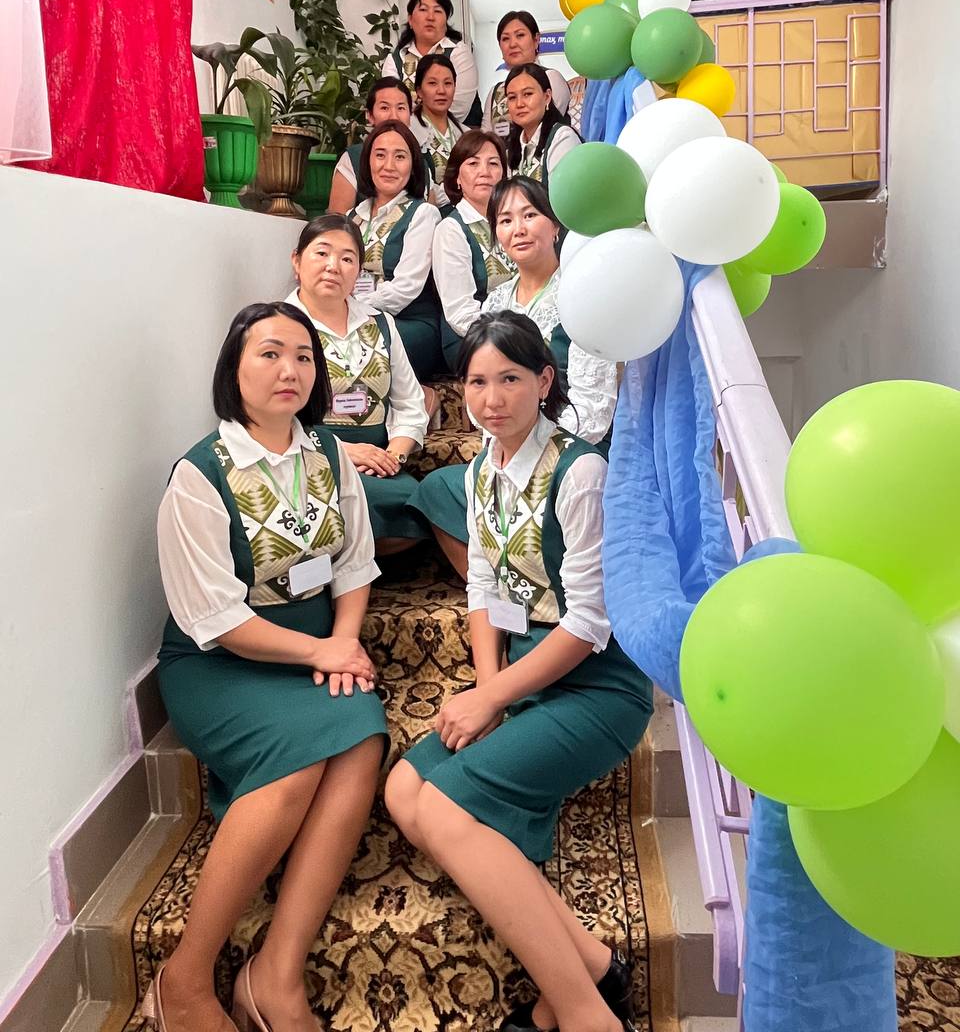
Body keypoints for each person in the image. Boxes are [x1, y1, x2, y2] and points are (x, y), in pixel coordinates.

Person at [385, 312, 652, 1032]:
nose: (492, 397)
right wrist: (488, 690)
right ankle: (593, 965)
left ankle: (584, 1015)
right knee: (404, 792)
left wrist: (496, 694)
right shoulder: (482, 469)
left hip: (596, 685)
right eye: (477, 381)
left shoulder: (580, 471)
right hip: (525, 674)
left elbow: (589, 623)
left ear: (544, 380)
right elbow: (482, 587)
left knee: (446, 809)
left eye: (509, 378)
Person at [146, 302, 386, 1032]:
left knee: (363, 737)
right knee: (297, 765)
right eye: (270, 353)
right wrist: (322, 652)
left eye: (304, 357)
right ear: (234, 368)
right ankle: (184, 980)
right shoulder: (199, 476)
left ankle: (276, 973)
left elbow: (354, 563)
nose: (291, 370)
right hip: (221, 662)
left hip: (315, 646)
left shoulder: (330, 453)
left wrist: (343, 639)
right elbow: (217, 619)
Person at [408, 176, 617, 576]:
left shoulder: (582, 294)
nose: (518, 228)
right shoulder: (496, 301)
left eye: (530, 215)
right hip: (509, 448)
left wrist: (531, 448)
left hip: (571, 448)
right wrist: (506, 449)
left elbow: (593, 410)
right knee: (438, 488)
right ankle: (499, 588)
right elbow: (482, 392)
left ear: (555, 227)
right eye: (505, 220)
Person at [286, 215, 429, 555]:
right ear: (297, 261)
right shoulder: (279, 325)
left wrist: (393, 456)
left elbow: (410, 403)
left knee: (418, 503)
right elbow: (270, 418)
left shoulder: (381, 324)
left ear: (358, 272)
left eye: (347, 258)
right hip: (308, 458)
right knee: (339, 501)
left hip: (377, 463)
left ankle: (346, 565)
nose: (333, 266)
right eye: (322, 253)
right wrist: (346, 453)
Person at [349, 119, 444, 382]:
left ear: (413, 166)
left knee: (355, 347)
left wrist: (350, 308)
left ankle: (426, 397)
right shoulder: (351, 218)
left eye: (400, 156)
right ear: (368, 162)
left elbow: (405, 288)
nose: (389, 165)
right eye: (380, 155)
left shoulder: (423, 214)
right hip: (353, 316)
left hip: (409, 323)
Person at [432, 129, 517, 371]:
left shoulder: (514, 221)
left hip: (523, 326)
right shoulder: (451, 229)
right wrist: (512, 338)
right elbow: (460, 313)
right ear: (457, 178)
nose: (484, 172)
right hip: (472, 337)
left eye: (493, 164)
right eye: (473, 163)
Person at [328, 77, 436, 216]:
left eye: (401, 108)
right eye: (385, 108)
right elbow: (337, 221)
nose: (394, 116)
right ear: (369, 115)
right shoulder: (353, 158)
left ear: (410, 114)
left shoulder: (421, 161)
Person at [382, 0, 481, 125]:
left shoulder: (459, 52)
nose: (430, 17)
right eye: (423, 10)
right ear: (410, 19)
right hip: (406, 135)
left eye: (438, 11)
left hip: (457, 134)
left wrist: (422, 129)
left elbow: (459, 108)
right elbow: (391, 105)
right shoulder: (395, 59)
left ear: (446, 21)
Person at [482, 11, 571, 139]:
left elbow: (549, 127)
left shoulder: (551, 78)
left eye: (520, 35)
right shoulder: (496, 92)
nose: (513, 44)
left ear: (536, 40)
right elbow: (485, 138)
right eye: (505, 38)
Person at [505, 63, 581, 185]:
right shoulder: (512, 145)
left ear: (547, 97)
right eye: (512, 97)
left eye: (527, 94)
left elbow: (562, 193)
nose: (519, 104)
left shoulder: (562, 138)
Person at [408, 53, 464, 208]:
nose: (441, 91)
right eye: (432, 83)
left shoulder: (464, 133)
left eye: (448, 83)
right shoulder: (409, 132)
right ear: (419, 91)